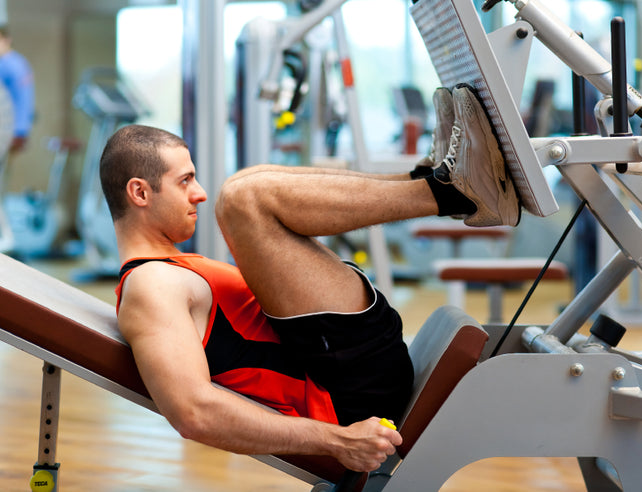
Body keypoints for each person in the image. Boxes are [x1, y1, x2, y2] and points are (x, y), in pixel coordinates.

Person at [101, 84, 519, 473]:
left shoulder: (168, 269)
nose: (199, 193)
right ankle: (452, 192)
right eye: (185, 181)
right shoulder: (148, 287)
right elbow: (194, 412)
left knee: (247, 186)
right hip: (343, 397)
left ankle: (435, 180)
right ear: (140, 193)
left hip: (341, 361)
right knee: (242, 199)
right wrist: (338, 440)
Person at [0, 25, 34, 154]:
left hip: (9, 129)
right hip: (21, 128)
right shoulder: (20, 61)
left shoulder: (5, 65)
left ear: (7, 40)